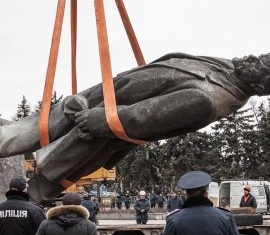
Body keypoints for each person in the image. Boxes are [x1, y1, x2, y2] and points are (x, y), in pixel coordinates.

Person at [1, 53, 270, 204]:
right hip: (107, 95)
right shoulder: (227, 68)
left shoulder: (208, 100)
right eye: (259, 56)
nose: (251, 58)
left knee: (45, 175)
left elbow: (143, 117)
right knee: (36, 126)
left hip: (99, 124)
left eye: (259, 64)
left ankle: (17, 207)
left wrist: (101, 120)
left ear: (259, 87)